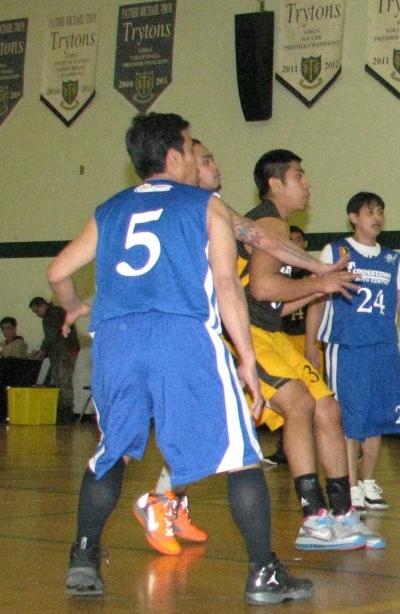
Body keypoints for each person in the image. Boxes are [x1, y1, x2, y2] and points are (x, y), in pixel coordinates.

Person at [48, 112, 313, 603]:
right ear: (173, 155)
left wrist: (76, 306)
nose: (196, 156)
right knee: (239, 456)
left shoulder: (109, 209)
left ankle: (83, 556)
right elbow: (230, 285)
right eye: (192, 148)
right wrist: (249, 360)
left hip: (116, 339)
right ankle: (264, 572)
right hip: (181, 335)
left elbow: (59, 269)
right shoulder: (204, 205)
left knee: (112, 453)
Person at [238, 150, 383, 550]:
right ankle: (314, 518)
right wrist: (321, 284)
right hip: (244, 334)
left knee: (328, 408)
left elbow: (275, 303)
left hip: (269, 330)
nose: (307, 185)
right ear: (275, 183)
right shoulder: (269, 224)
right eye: (299, 176)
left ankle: (343, 514)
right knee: (299, 404)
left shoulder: (277, 228)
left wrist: (320, 287)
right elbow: (263, 289)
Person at [306, 191, 400, 511]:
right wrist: (311, 343)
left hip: (383, 347)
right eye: (370, 211)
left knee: (378, 417)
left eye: (381, 211)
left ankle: (368, 481)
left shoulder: (391, 258)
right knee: (350, 418)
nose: (377, 217)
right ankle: (350, 485)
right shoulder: (336, 250)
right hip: (348, 346)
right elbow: (317, 296)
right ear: (353, 217)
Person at [262, 225, 312, 467]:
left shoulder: (311, 276)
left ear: (304, 245)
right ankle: (284, 449)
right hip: (282, 339)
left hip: (307, 339)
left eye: (298, 240)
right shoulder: (275, 275)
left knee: (318, 399)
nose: (294, 243)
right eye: (288, 240)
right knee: (289, 400)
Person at [30, 295, 80, 420]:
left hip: (63, 352)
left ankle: (65, 411)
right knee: (63, 380)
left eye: (37, 311)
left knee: (62, 380)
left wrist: (43, 351)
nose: (37, 314)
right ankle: (65, 410)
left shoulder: (51, 316)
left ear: (43, 305)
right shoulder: (58, 312)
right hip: (66, 350)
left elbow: (51, 336)